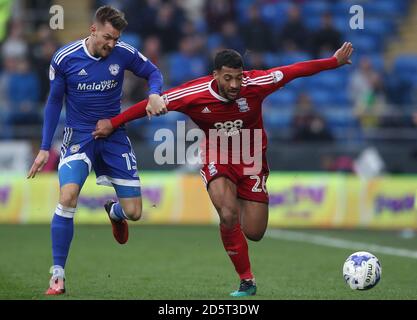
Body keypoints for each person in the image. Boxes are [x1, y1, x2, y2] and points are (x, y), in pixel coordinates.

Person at [93, 42, 354, 297]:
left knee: (254, 232)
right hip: (216, 155)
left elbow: (295, 70)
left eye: (238, 78)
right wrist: (113, 123)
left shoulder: (256, 84)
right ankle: (246, 281)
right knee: (228, 214)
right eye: (228, 78)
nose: (234, 85)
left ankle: (117, 210)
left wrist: (334, 62)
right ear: (215, 75)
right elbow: (151, 103)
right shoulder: (193, 93)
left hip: (252, 159)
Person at [26, 5, 167, 295]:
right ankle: (57, 275)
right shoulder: (64, 58)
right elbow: (54, 103)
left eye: (115, 39)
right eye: (107, 37)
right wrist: (43, 148)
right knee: (67, 196)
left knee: (135, 212)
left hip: (114, 136)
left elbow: (153, 72)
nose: (111, 44)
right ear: (93, 30)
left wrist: (154, 93)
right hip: (79, 136)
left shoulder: (123, 52)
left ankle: (115, 213)